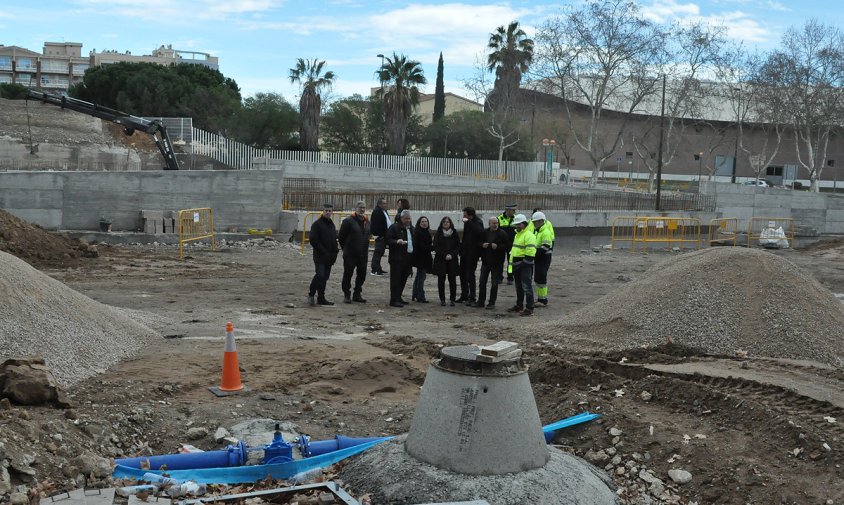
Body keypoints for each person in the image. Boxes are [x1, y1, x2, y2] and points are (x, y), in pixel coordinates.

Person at [337, 201, 370, 304]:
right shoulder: (348, 221)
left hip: (363, 254)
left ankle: (357, 294)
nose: (362, 209)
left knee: (362, 275)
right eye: (360, 207)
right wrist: (346, 249)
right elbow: (341, 237)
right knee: (348, 274)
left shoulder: (367, 222)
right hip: (350, 254)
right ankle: (347, 294)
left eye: (364, 207)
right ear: (355, 208)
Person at [474, 216, 509, 309]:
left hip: (497, 263)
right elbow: (477, 243)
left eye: (496, 223)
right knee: (482, 282)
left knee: (494, 284)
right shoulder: (485, 233)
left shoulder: (502, 233)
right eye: (493, 223)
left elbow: (507, 246)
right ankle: (481, 301)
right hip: (486, 261)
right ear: (489, 223)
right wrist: (482, 245)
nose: (495, 224)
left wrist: (497, 247)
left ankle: (491, 302)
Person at [308, 204, 339, 306]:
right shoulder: (317, 224)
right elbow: (313, 240)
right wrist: (323, 251)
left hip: (330, 257)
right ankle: (311, 294)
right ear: (323, 211)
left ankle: (321, 297)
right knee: (320, 275)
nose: (328, 212)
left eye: (330, 211)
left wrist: (335, 252)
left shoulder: (332, 225)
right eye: (326, 210)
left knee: (325, 277)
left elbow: (334, 239)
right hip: (320, 256)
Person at [507, 213, 536, 316]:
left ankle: (529, 308)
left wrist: (522, 263)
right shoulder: (518, 235)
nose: (517, 226)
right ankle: (519, 305)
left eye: (519, 224)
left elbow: (530, 253)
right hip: (518, 264)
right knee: (519, 287)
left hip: (524, 265)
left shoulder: (529, 236)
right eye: (516, 224)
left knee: (526, 287)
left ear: (524, 224)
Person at [386, 209, 414, 307]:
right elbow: (388, 240)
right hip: (396, 258)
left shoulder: (411, 228)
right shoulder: (394, 227)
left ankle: (398, 297)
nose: (408, 220)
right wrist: (396, 241)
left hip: (408, 258)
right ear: (401, 218)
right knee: (395, 280)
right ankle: (394, 300)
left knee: (403, 279)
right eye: (406, 218)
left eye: (409, 218)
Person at [457, 206, 484, 305]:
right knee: (462, 274)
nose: (463, 216)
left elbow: (479, 232)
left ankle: (472, 297)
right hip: (465, 252)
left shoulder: (477, 221)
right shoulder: (468, 222)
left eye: (465, 214)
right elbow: (465, 237)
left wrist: (468, 222)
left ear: (470, 215)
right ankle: (464, 295)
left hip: (473, 253)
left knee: (470, 275)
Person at [432, 216, 460, 306]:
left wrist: (452, 255)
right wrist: (445, 255)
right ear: (441, 223)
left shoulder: (454, 233)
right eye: (444, 222)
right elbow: (436, 246)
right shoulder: (438, 233)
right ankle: (442, 299)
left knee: (452, 280)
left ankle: (452, 299)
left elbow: (458, 246)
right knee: (441, 280)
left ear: (450, 223)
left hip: (453, 259)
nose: (446, 223)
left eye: (447, 222)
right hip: (441, 259)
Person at [531, 211, 555, 307]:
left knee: (541, 279)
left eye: (535, 222)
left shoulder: (545, 232)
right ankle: (541, 298)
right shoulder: (539, 231)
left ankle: (543, 299)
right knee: (538, 278)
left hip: (544, 258)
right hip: (540, 258)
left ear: (541, 221)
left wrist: (534, 253)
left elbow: (545, 246)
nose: (534, 223)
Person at [411, 216, 433, 303]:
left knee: (419, 276)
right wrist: (433, 247)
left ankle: (415, 294)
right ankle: (420, 296)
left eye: (426, 221)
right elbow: (422, 247)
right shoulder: (418, 233)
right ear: (419, 223)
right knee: (421, 277)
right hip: (420, 258)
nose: (424, 223)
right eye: (422, 222)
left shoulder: (425, 232)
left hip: (424, 257)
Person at [497, 204, 517, 285]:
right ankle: (499, 277)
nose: (512, 212)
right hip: (501, 245)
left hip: (512, 245)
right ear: (506, 210)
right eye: (510, 210)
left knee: (511, 262)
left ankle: (510, 277)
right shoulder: (499, 218)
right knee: (499, 262)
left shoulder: (516, 219)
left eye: (513, 211)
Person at [369, 198, 390, 276]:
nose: (385, 205)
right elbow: (375, 225)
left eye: (385, 203)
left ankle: (378, 268)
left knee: (381, 252)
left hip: (384, 235)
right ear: (379, 204)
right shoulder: (377, 212)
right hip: (380, 236)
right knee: (378, 252)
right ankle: (375, 270)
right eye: (384, 203)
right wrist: (380, 236)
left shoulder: (384, 211)